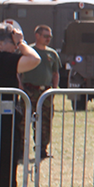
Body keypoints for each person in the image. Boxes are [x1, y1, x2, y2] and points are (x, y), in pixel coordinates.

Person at [0, 22, 41, 187]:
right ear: (0, 44)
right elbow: (34, 59)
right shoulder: (4, 59)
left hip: (6, 115)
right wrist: (22, 42)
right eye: (12, 43)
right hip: (4, 118)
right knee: (6, 157)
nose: (15, 48)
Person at [18, 25, 61, 160]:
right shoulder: (29, 51)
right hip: (29, 90)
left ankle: (42, 149)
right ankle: (20, 150)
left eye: (50, 37)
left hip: (45, 92)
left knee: (45, 121)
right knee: (23, 121)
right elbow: (18, 70)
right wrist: (20, 86)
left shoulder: (52, 54)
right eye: (45, 36)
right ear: (37, 36)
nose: (48, 39)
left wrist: (54, 88)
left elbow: (55, 73)